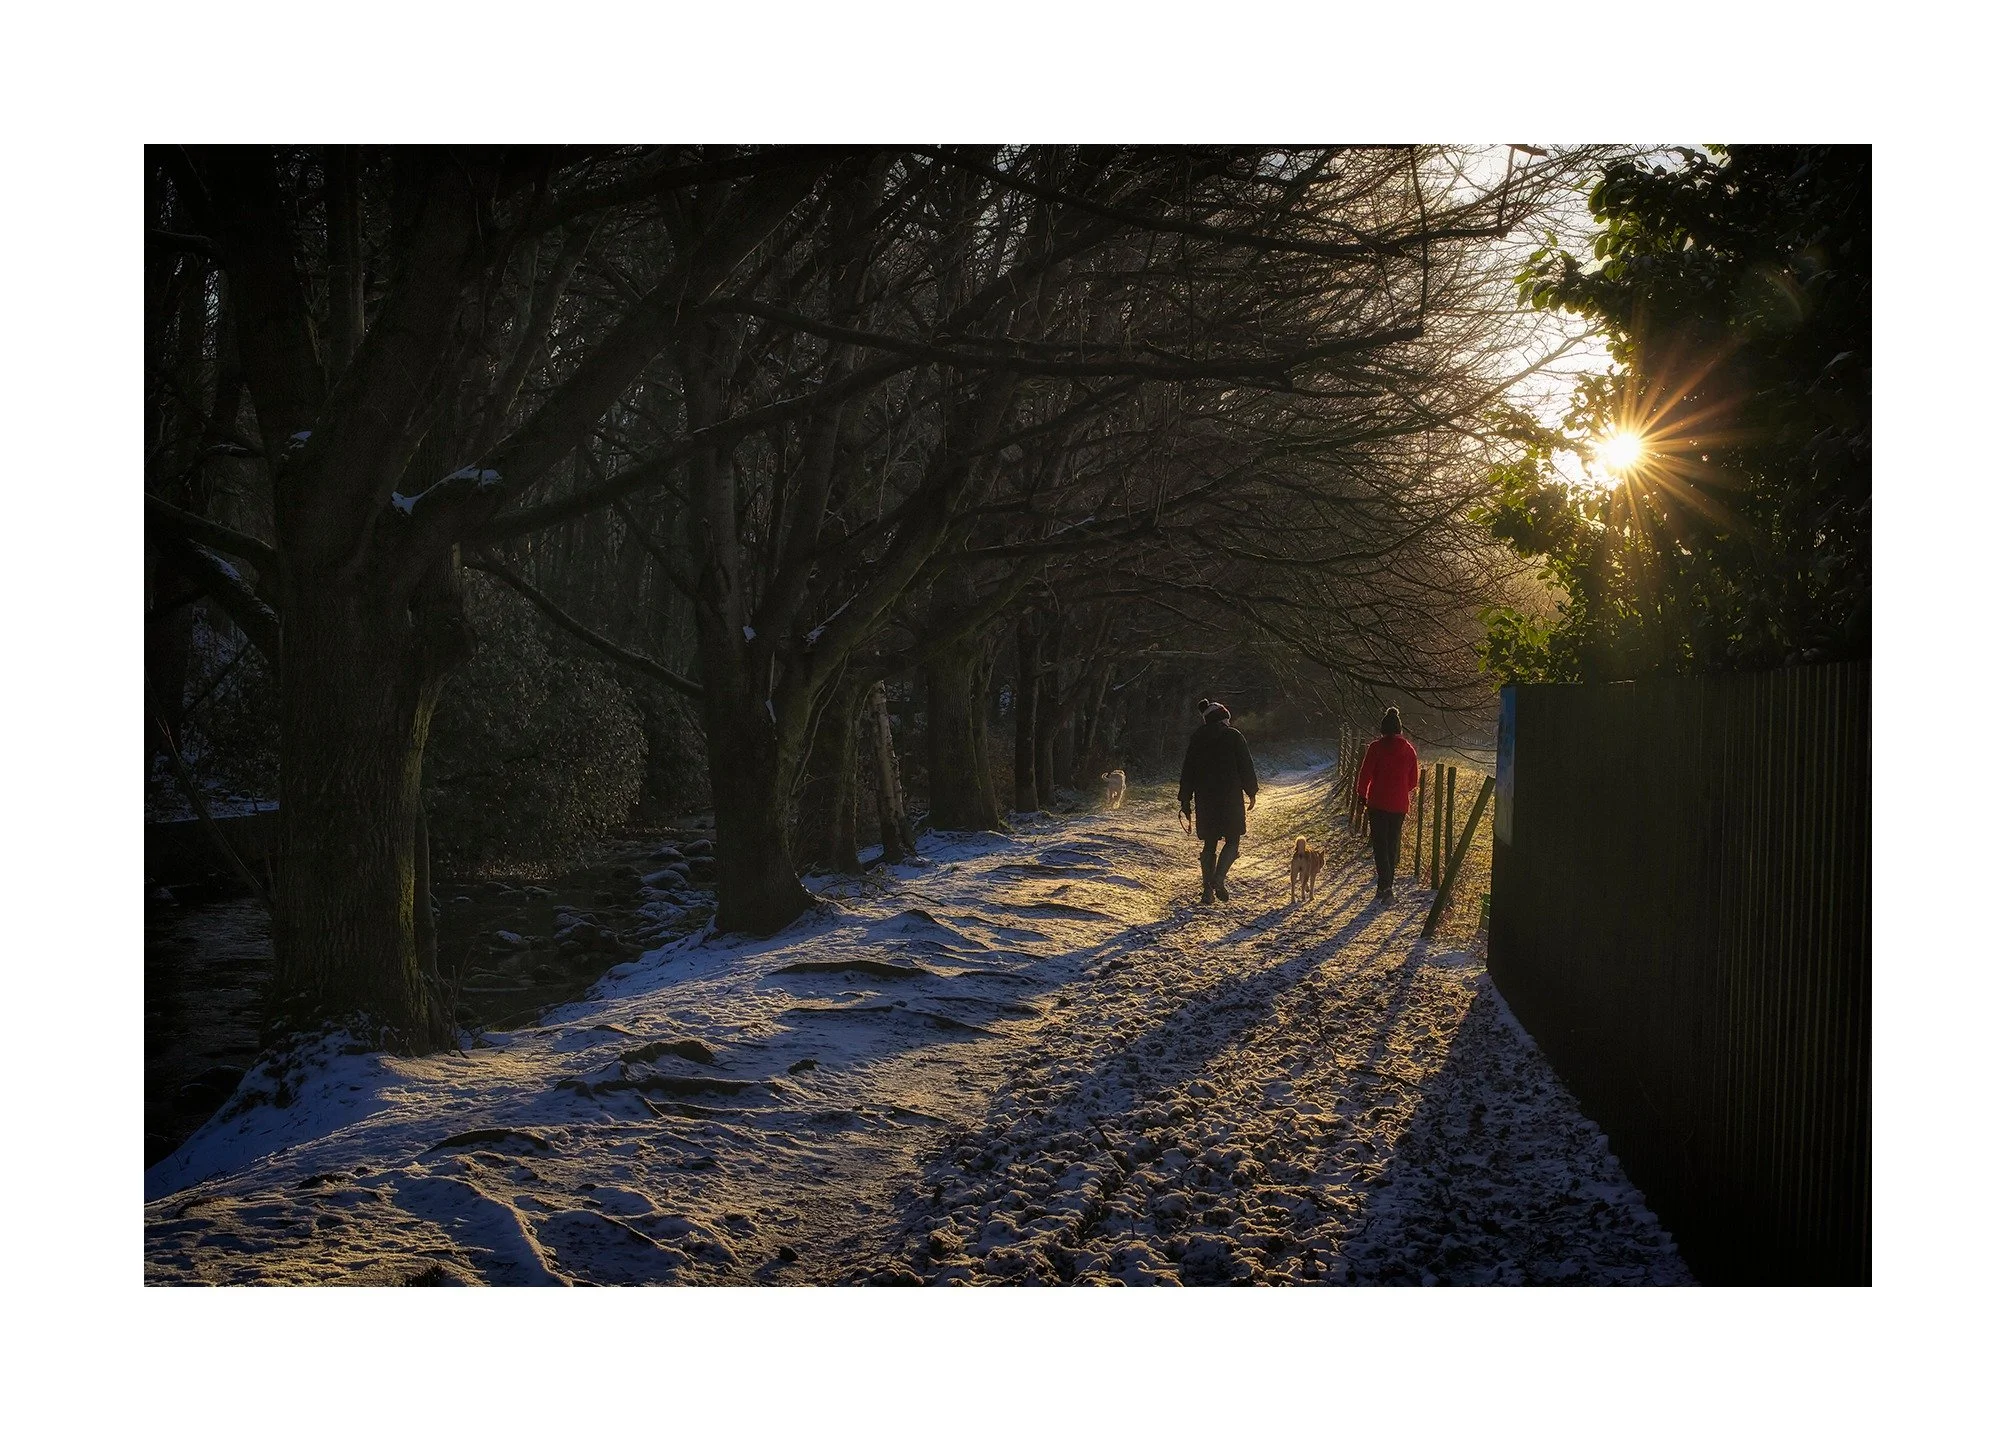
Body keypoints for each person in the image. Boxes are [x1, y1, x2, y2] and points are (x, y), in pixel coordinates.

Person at [1178, 701, 1258, 904]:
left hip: (1205, 798)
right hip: (1230, 798)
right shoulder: (1233, 736)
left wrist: (1185, 800)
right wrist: (1251, 791)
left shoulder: (1197, 738)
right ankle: (1219, 879)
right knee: (1233, 840)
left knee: (1210, 842)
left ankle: (1207, 890)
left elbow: (1188, 771)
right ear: (1222, 718)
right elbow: (1245, 765)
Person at [1355, 706, 1420, 903]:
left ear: (1383, 729)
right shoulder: (1409, 750)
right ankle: (1388, 886)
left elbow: (1365, 773)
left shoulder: (1376, 747)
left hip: (1377, 803)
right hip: (1399, 805)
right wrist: (1400, 789)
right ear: (1400, 729)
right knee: (1392, 845)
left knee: (1380, 845)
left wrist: (1362, 795)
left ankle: (1385, 885)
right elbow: (1414, 781)